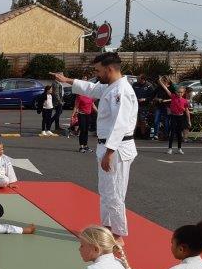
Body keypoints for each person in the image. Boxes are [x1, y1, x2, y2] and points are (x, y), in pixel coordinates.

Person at [51, 53, 138, 243]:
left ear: (109, 69)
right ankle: (107, 229)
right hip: (108, 146)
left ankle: (117, 236)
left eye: (98, 71)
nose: (96, 74)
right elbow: (91, 89)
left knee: (115, 193)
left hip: (117, 148)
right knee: (106, 191)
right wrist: (67, 80)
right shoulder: (110, 87)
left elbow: (120, 124)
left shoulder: (121, 91)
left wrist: (109, 152)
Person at [158, 76, 190, 155]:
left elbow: (187, 110)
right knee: (172, 132)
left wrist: (189, 120)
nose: (180, 93)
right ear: (176, 92)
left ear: (183, 93)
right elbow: (166, 89)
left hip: (181, 117)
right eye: (178, 92)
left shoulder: (185, 101)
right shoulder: (173, 97)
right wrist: (161, 82)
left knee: (179, 133)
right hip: (173, 116)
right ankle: (170, 148)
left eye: (181, 92)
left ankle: (179, 148)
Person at [73, 79, 97, 152]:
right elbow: (76, 106)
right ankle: (81, 147)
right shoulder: (80, 96)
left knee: (86, 131)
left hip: (88, 115)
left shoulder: (90, 95)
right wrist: (73, 115)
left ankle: (86, 146)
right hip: (81, 115)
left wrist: (99, 113)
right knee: (82, 130)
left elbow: (93, 105)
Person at [132, 74, 154, 139]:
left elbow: (152, 96)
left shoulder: (149, 86)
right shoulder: (134, 85)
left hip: (144, 105)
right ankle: (133, 134)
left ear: (143, 79)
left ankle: (143, 135)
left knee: (142, 120)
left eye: (139, 79)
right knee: (134, 120)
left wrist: (145, 99)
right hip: (135, 104)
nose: (138, 80)